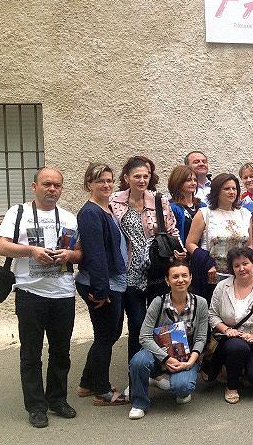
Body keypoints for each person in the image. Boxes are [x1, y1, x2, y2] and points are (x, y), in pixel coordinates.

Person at [0, 167, 82, 428]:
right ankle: (36, 407)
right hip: (30, 293)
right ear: (34, 187)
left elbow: (80, 253)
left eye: (57, 185)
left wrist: (69, 255)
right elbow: (2, 246)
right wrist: (32, 251)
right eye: (47, 184)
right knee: (31, 353)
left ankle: (57, 400)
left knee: (61, 351)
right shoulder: (17, 213)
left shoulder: (69, 218)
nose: (52, 189)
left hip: (63, 293)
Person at [110, 156, 185, 374]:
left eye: (146, 176)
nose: (142, 180)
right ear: (127, 178)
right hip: (130, 274)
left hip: (157, 270)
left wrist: (179, 250)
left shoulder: (159, 200)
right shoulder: (114, 202)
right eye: (137, 176)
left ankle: (165, 370)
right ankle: (137, 375)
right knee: (137, 324)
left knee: (163, 322)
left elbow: (171, 230)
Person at [75, 163, 128, 406]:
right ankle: (102, 391)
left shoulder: (107, 208)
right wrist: (100, 290)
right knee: (106, 335)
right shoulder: (90, 213)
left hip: (111, 281)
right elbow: (95, 253)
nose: (106, 185)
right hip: (101, 284)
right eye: (99, 181)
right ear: (89, 184)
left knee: (109, 333)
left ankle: (87, 383)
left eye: (109, 180)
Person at [127, 261, 208, 420]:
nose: (180, 280)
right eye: (175, 277)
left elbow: (201, 338)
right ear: (167, 280)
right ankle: (139, 403)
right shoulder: (158, 302)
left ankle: (173, 383)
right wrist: (166, 359)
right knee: (138, 361)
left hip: (185, 356)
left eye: (184, 276)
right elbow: (144, 337)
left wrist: (190, 362)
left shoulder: (200, 303)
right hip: (158, 353)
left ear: (191, 278)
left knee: (182, 388)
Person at [209, 247, 253, 403]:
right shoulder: (222, 287)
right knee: (238, 347)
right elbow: (212, 315)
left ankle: (243, 369)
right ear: (232, 268)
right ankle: (231, 385)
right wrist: (227, 329)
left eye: (245, 263)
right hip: (230, 339)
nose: (242, 268)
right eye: (237, 265)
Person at [185, 173, 253, 301]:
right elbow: (190, 243)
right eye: (227, 189)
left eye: (234, 188)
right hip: (212, 275)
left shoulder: (245, 214)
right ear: (217, 191)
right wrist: (207, 263)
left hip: (240, 275)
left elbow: (249, 244)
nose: (231, 192)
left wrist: (248, 266)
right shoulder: (205, 213)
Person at [168, 165, 206, 246]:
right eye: (189, 180)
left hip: (201, 250)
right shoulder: (172, 207)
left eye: (195, 180)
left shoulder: (202, 205)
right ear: (178, 182)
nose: (193, 183)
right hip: (181, 251)